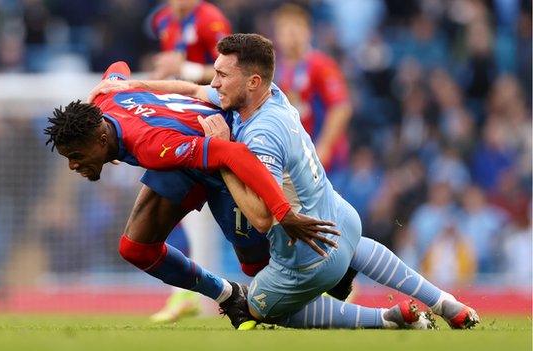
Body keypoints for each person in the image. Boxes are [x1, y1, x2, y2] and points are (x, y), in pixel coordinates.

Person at [89, 34, 480, 330]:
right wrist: (134, 88)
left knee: (255, 308)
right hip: (342, 221)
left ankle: (387, 319)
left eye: (223, 75)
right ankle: (449, 305)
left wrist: (221, 152)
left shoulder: (260, 137)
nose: (217, 82)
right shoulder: (271, 97)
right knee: (357, 247)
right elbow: (192, 89)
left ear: (253, 81)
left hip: (308, 255)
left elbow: (260, 217)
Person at [45, 61, 340, 326]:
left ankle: (339, 270)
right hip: (186, 156)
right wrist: (94, 96)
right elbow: (117, 67)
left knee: (257, 266)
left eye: (76, 154)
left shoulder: (151, 144)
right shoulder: (105, 99)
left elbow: (231, 153)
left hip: (222, 148)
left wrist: (283, 212)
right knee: (135, 248)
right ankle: (228, 296)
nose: (73, 164)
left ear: (101, 138)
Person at [146, 0, 233, 321]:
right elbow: (174, 66)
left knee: (214, 206)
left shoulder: (210, 19)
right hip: (184, 121)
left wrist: (187, 70)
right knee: (186, 208)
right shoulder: (165, 20)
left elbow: (232, 68)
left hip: (214, 119)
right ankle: (186, 294)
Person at [272, 4, 352, 172]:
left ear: (308, 32)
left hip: (325, 162)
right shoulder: (274, 69)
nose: (292, 35)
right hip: (293, 160)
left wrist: (324, 147)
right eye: (286, 30)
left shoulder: (321, 65)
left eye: (297, 28)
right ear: (277, 36)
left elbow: (341, 107)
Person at [147, 0, 231, 83]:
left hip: (208, 88)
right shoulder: (161, 18)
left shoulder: (211, 20)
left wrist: (185, 70)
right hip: (179, 85)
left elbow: (229, 70)